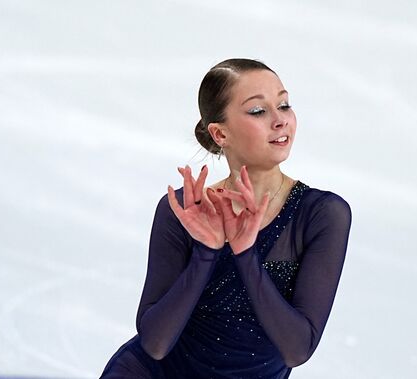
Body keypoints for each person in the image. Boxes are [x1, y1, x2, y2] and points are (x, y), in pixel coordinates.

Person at [100, 58, 352, 379]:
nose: (280, 121)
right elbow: (156, 344)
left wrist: (246, 254)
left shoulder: (321, 214)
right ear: (220, 133)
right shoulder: (183, 210)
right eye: (258, 111)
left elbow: (297, 349)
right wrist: (206, 251)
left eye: (284, 105)